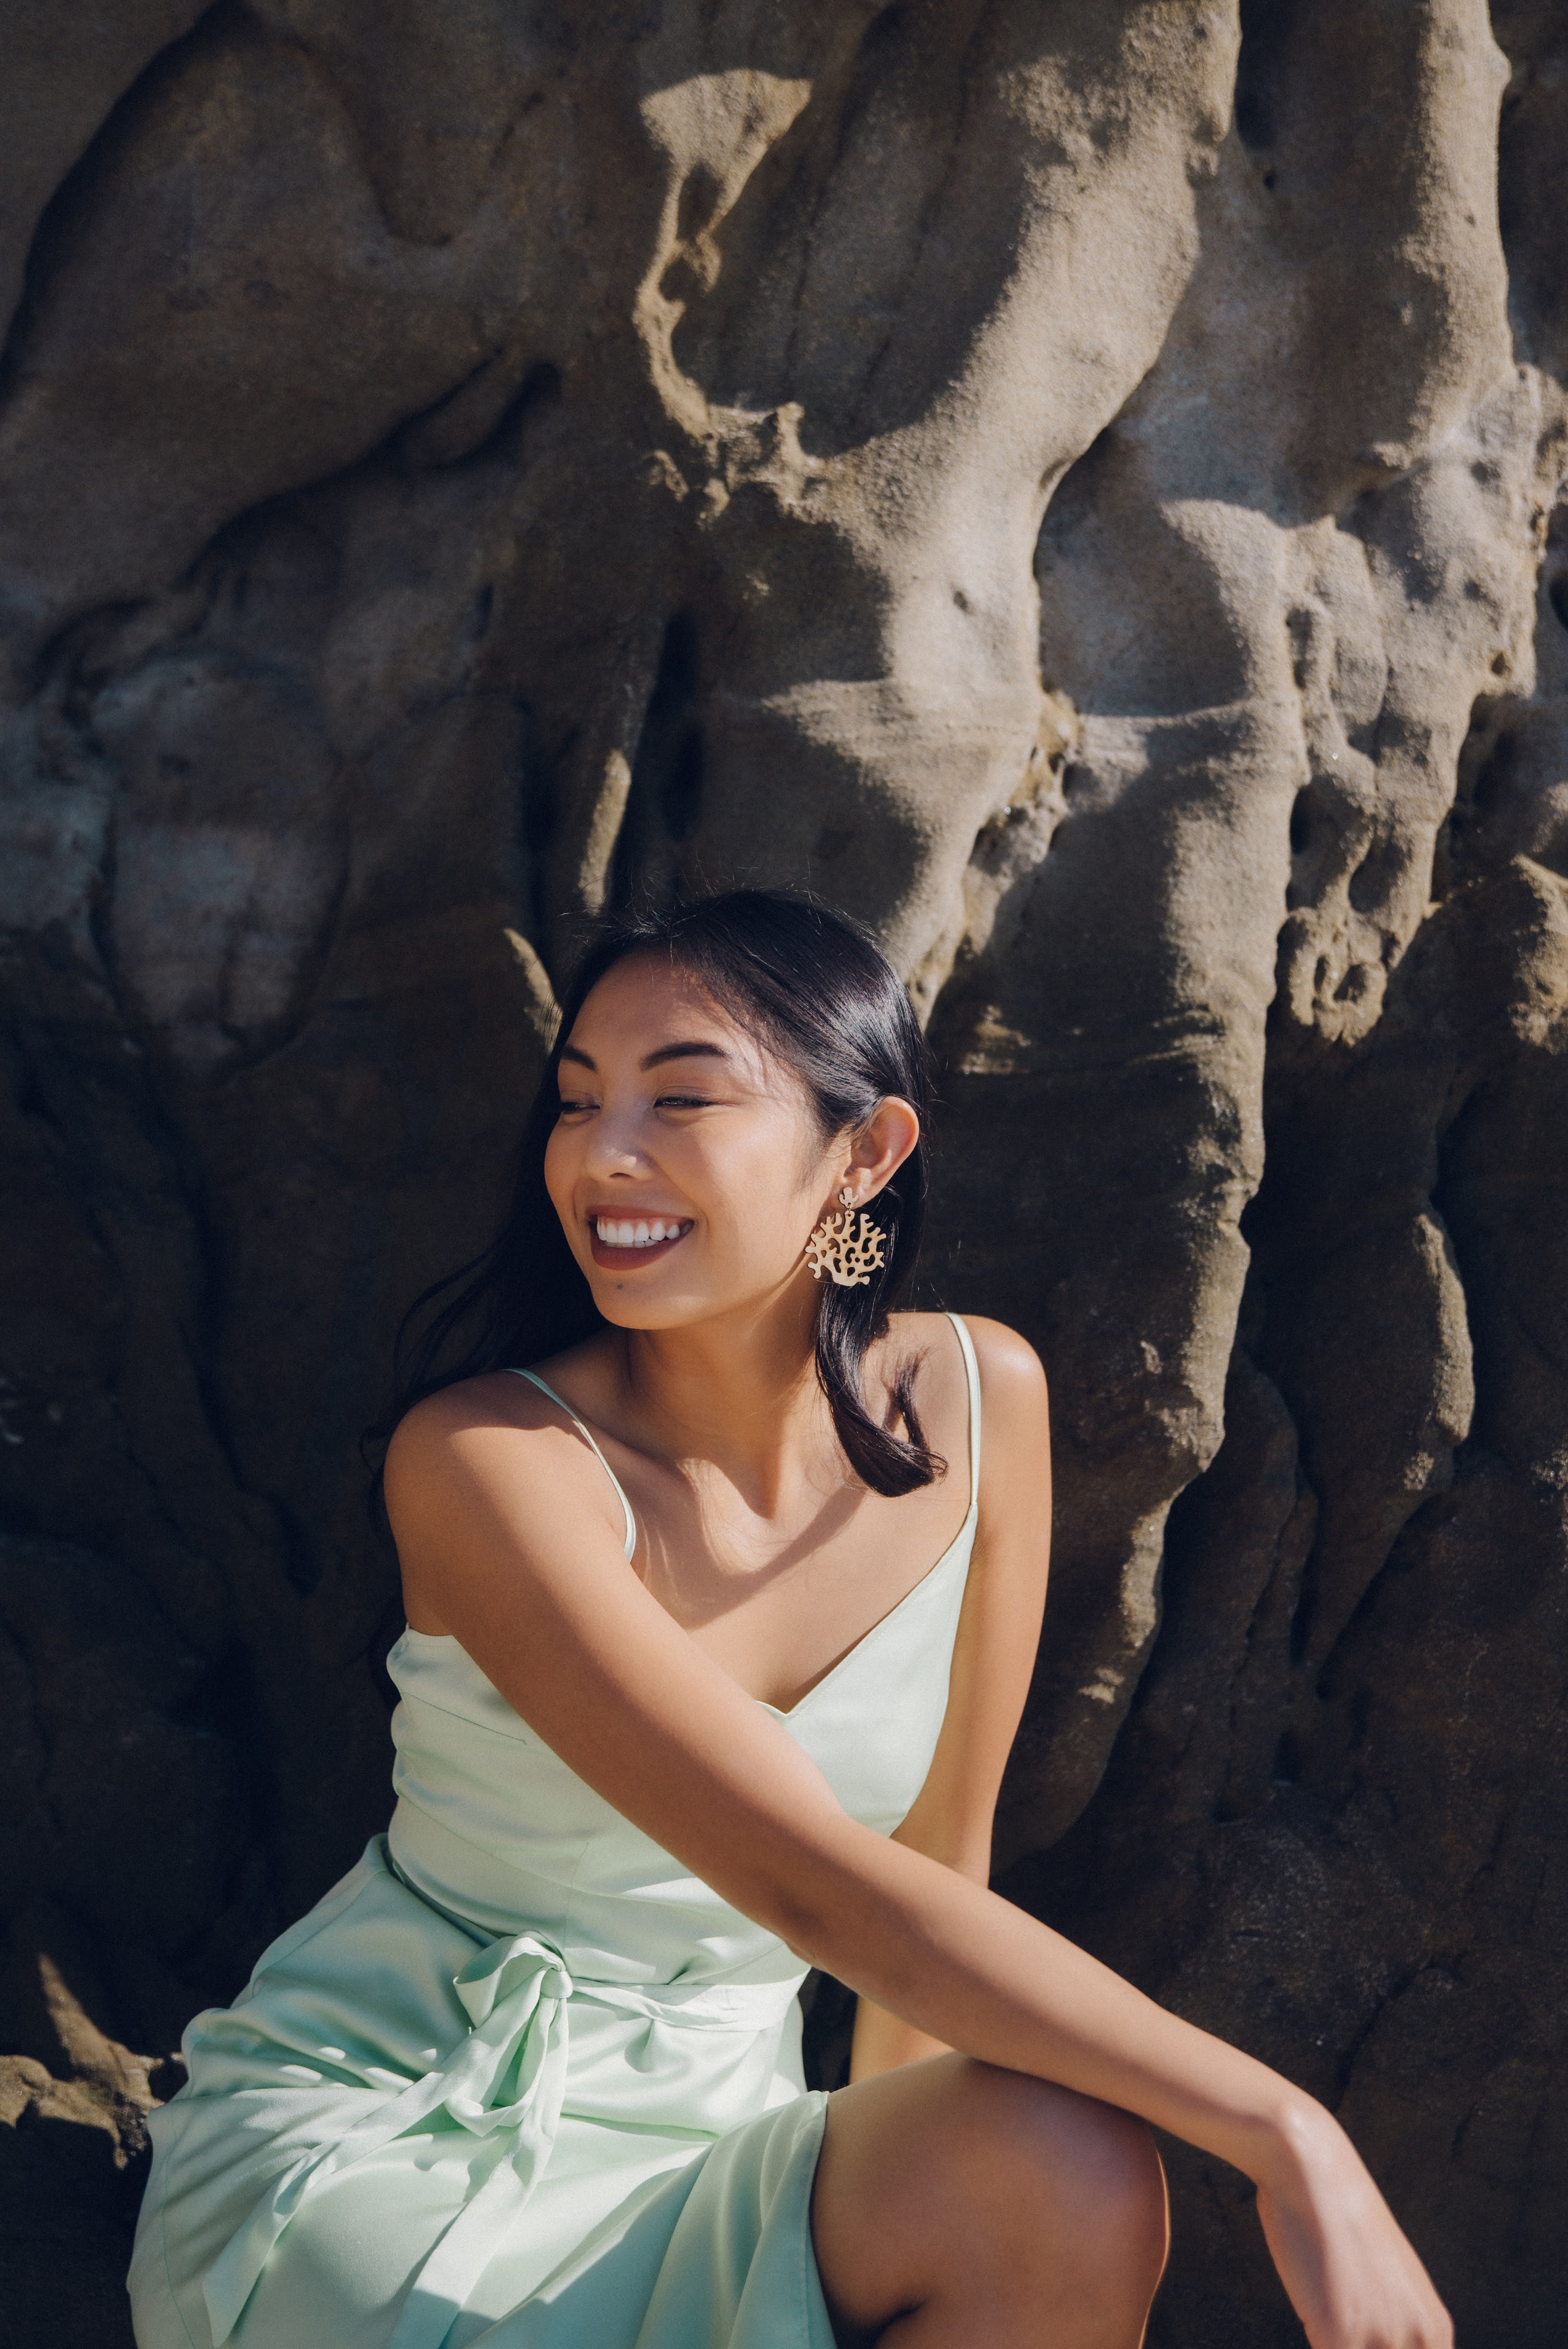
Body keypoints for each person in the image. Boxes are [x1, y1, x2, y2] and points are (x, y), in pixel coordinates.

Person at [130, 889, 1450, 2349]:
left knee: (1058, 2167)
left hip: (717, 2148)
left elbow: (940, 1862)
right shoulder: (484, 1463)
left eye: (680, 1098)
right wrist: (1278, 2127)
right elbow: (823, 1890)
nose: (602, 1156)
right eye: (576, 1104)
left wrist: (939, 2213)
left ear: (864, 1153)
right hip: (401, 2142)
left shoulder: (978, 1397)